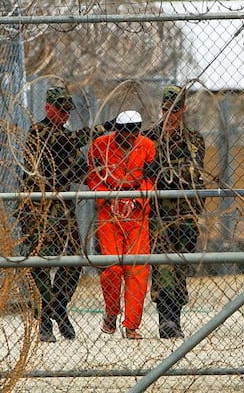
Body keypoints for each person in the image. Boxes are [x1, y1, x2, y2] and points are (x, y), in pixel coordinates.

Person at [18, 85, 112, 342]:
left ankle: (58, 307)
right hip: (39, 210)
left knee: (72, 263)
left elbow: (79, 169)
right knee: (40, 265)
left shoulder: (65, 135)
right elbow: (61, 145)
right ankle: (45, 319)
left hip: (63, 210)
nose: (65, 115)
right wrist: (100, 130)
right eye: (60, 110)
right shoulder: (39, 132)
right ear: (48, 108)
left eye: (68, 111)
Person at [86, 110, 157, 340]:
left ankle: (131, 324)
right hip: (109, 212)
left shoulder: (147, 146)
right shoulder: (101, 145)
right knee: (112, 266)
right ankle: (111, 311)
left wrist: (136, 199)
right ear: (116, 130)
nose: (127, 138)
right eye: (122, 133)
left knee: (137, 268)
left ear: (137, 132)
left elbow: (151, 178)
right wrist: (109, 198)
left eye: (132, 133)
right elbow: (94, 175)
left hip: (136, 214)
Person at [143, 85, 206, 339]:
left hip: (184, 211)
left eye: (175, 111)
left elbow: (193, 172)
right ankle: (166, 319)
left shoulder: (193, 139)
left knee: (179, 265)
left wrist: (163, 172)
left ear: (183, 110)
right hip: (157, 212)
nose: (169, 116)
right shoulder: (149, 138)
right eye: (166, 110)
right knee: (162, 265)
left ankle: (174, 316)